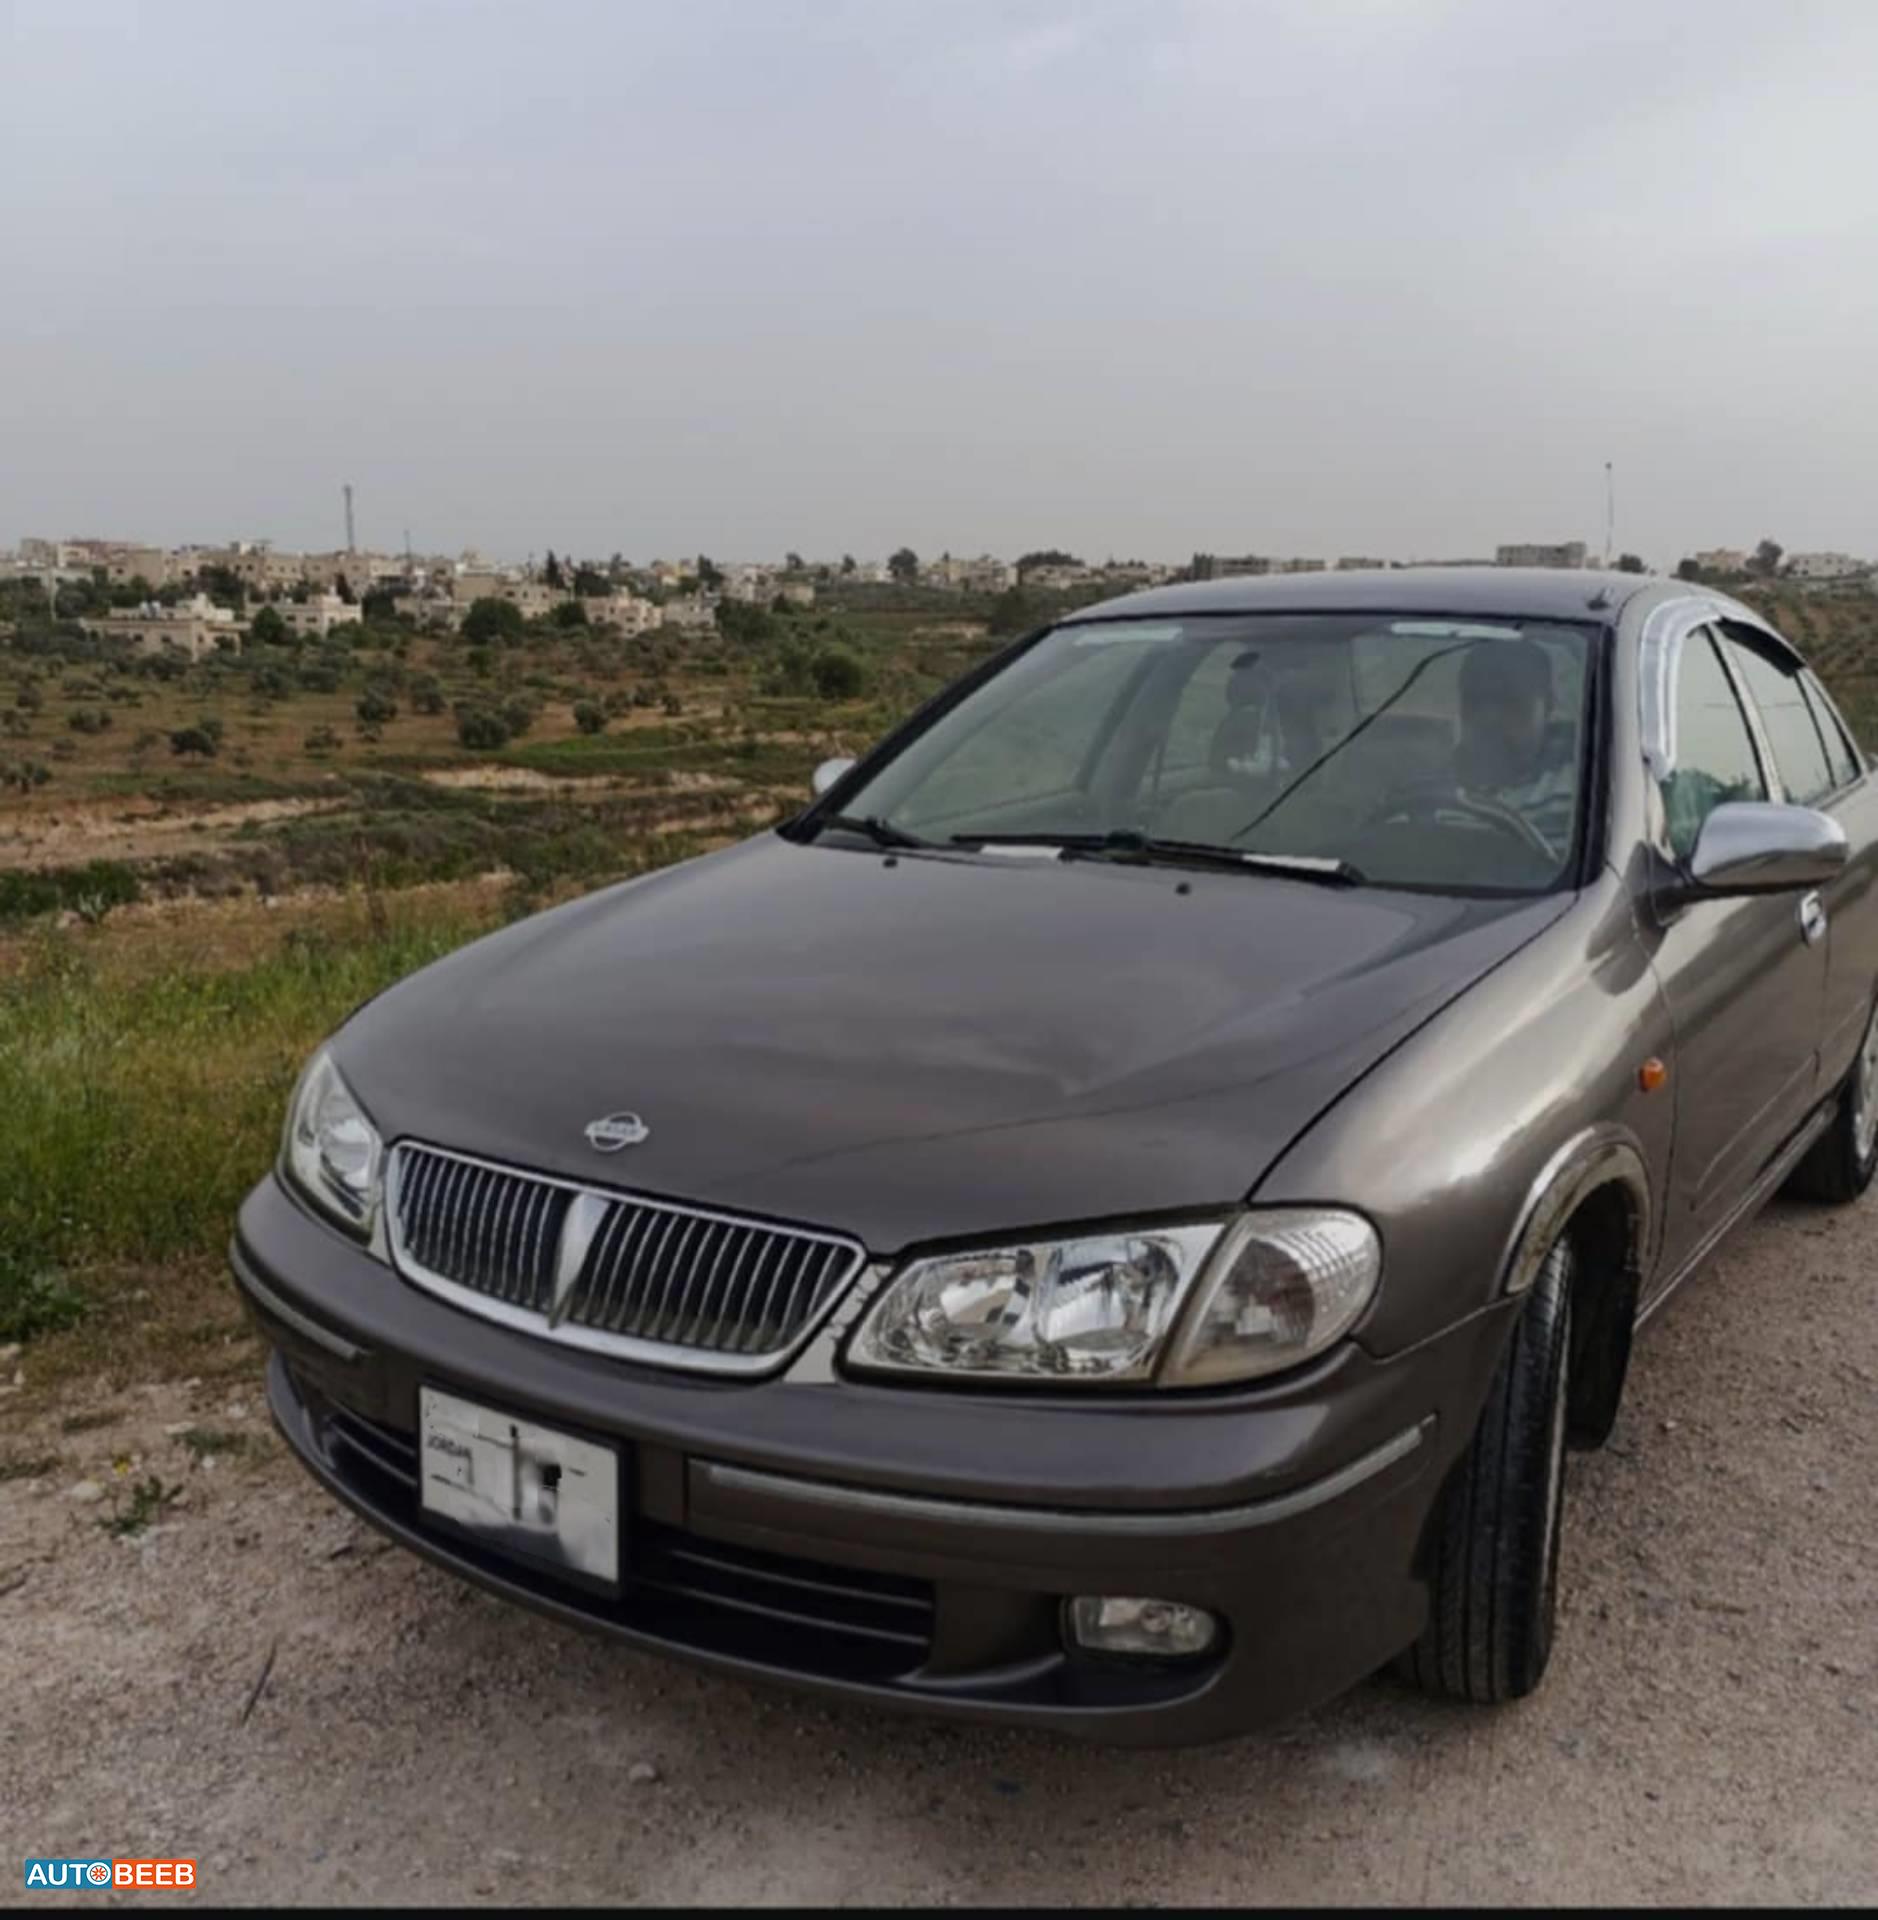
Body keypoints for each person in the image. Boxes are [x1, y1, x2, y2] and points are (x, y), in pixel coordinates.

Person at [1453, 640, 1576, 855]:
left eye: (1510, 702)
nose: (1489, 718)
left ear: (1548, 706)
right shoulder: (1430, 792)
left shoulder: (1586, 784)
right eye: (1475, 702)